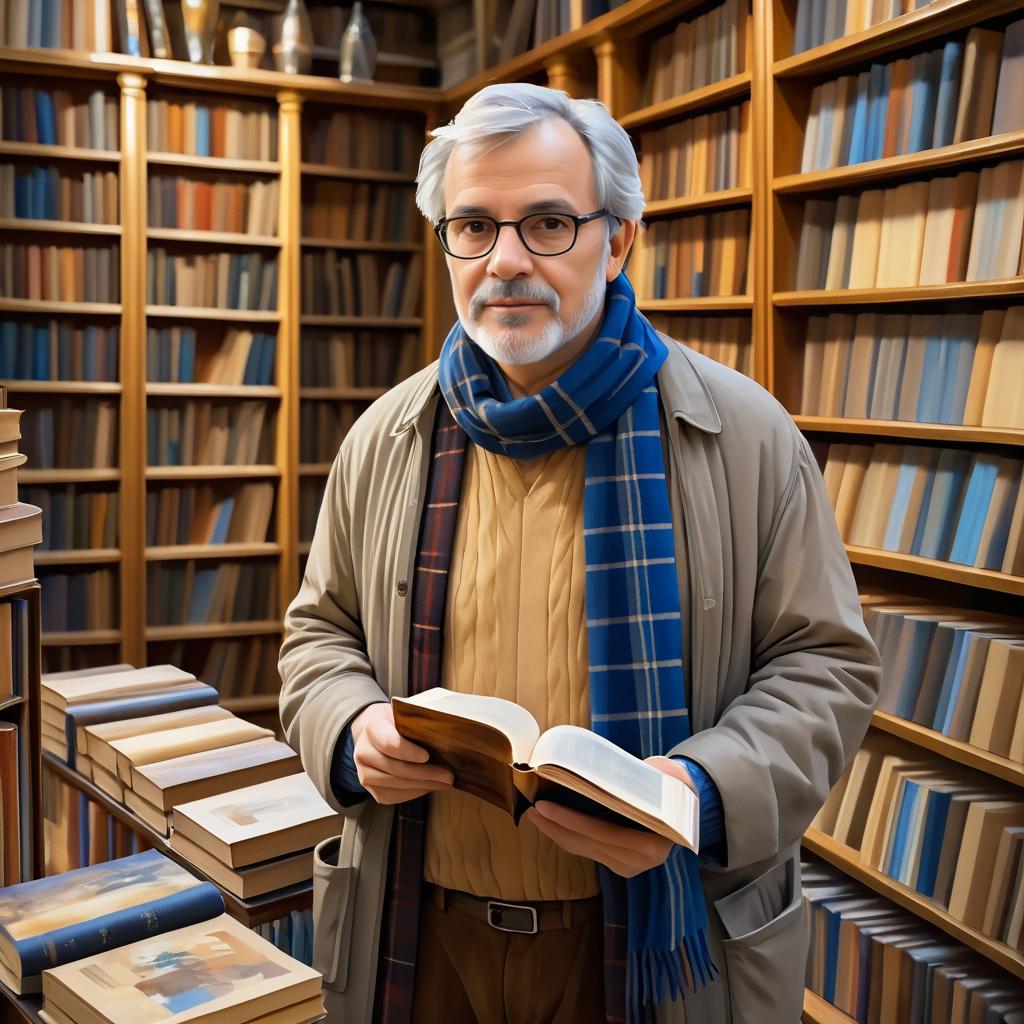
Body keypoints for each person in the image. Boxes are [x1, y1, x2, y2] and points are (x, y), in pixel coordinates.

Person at [278, 82, 882, 1024]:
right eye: (472, 227)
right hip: (417, 929)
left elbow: (825, 667)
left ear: (621, 239)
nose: (506, 261)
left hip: (652, 948)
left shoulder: (749, 436)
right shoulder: (383, 437)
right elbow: (319, 636)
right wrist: (351, 728)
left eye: (549, 224)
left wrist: (695, 796)